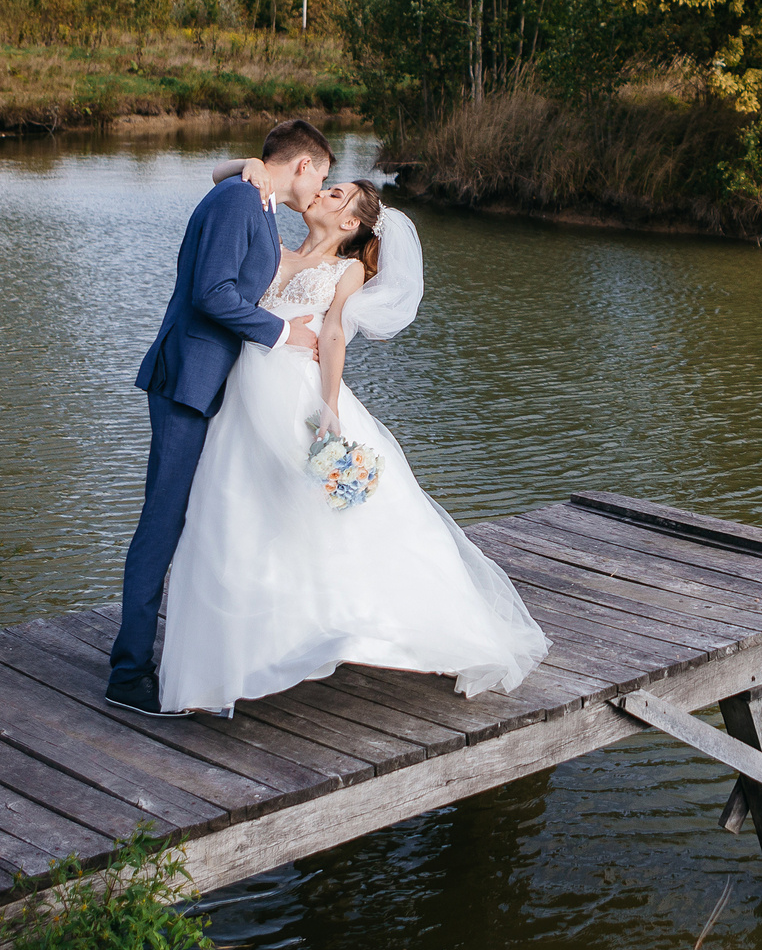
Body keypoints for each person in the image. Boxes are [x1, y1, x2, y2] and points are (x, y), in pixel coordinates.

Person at [157, 171, 549, 715]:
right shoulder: (272, 248)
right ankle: (226, 665)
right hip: (243, 392)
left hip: (295, 392)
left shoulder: (345, 270)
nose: (322, 192)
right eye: (327, 185)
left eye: (336, 194)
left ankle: (376, 624)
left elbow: (334, 332)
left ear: (349, 223)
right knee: (234, 507)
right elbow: (230, 226)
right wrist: (250, 163)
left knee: (325, 516)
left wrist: (330, 406)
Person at [105, 119, 332, 716]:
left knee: (201, 517)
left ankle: (197, 653)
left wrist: (241, 164)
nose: (318, 193)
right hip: (187, 380)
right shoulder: (240, 200)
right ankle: (128, 674)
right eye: (322, 178)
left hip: (211, 383)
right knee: (161, 523)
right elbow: (212, 294)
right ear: (303, 165)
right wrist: (284, 333)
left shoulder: (255, 196)